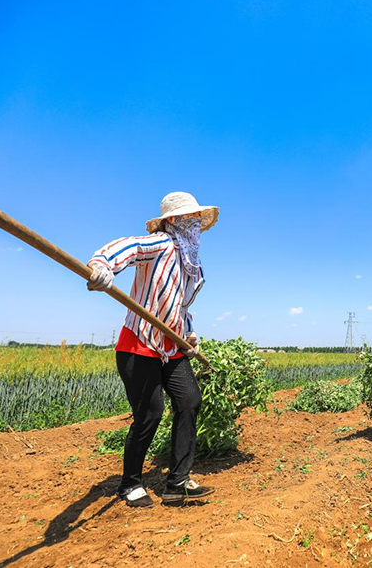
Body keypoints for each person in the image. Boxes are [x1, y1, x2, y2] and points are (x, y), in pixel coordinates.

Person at [86, 192, 218, 508]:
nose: (196, 223)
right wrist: (100, 265)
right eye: (191, 217)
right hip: (139, 344)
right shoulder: (158, 245)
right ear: (172, 221)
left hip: (172, 347)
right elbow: (127, 247)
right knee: (150, 413)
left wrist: (189, 334)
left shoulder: (192, 264)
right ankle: (130, 483)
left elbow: (179, 306)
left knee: (189, 400)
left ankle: (177, 482)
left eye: (198, 218)